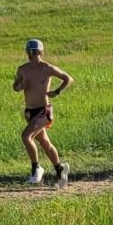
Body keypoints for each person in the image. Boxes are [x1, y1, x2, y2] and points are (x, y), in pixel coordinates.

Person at [13, 39, 74, 188]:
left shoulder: (47, 68)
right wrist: (19, 85)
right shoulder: (22, 69)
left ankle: (36, 167)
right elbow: (15, 86)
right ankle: (60, 169)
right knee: (45, 143)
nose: (31, 55)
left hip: (43, 111)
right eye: (29, 52)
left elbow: (68, 78)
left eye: (34, 52)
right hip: (29, 112)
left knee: (26, 136)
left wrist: (57, 91)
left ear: (41, 52)